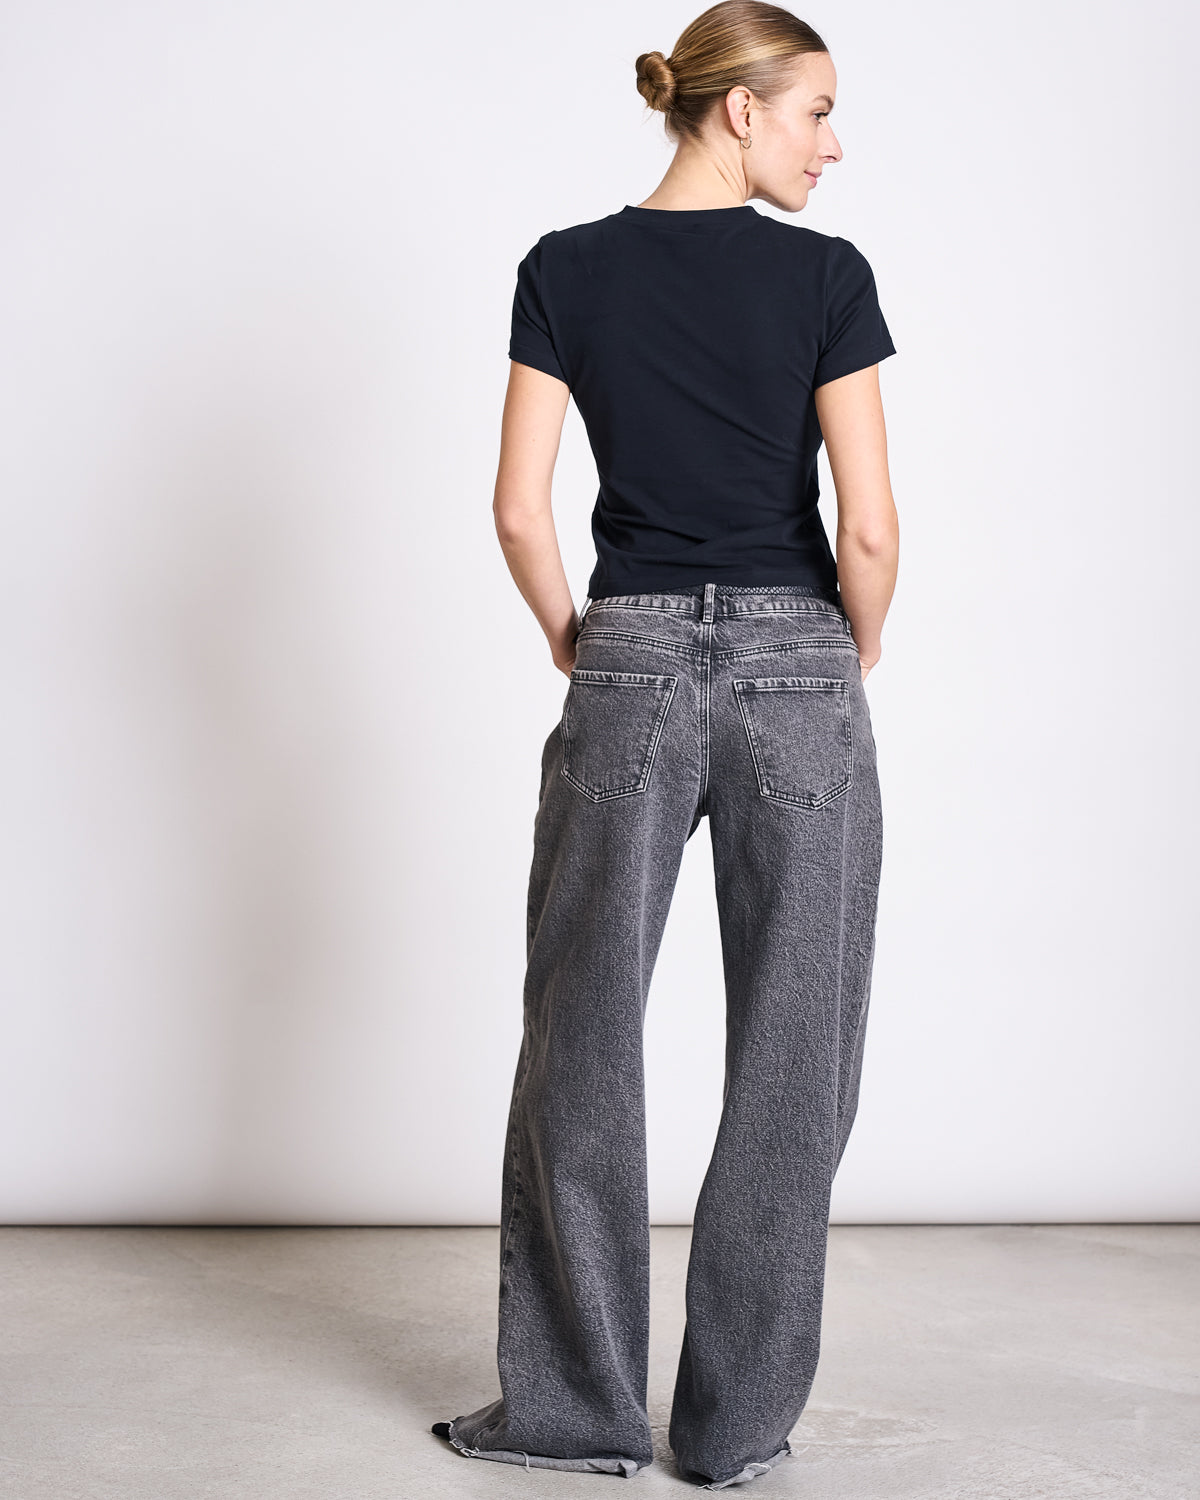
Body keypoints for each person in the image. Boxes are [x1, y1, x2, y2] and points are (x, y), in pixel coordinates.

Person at [432, 0, 899, 1488]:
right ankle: (735, 1429)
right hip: (799, 662)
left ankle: (572, 1415)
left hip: (626, 652)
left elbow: (519, 509)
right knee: (795, 1048)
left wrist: (575, 636)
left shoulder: (565, 268)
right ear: (739, 111)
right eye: (816, 110)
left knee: (580, 1034)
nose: (834, 143)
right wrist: (842, 652)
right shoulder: (827, 279)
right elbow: (870, 529)